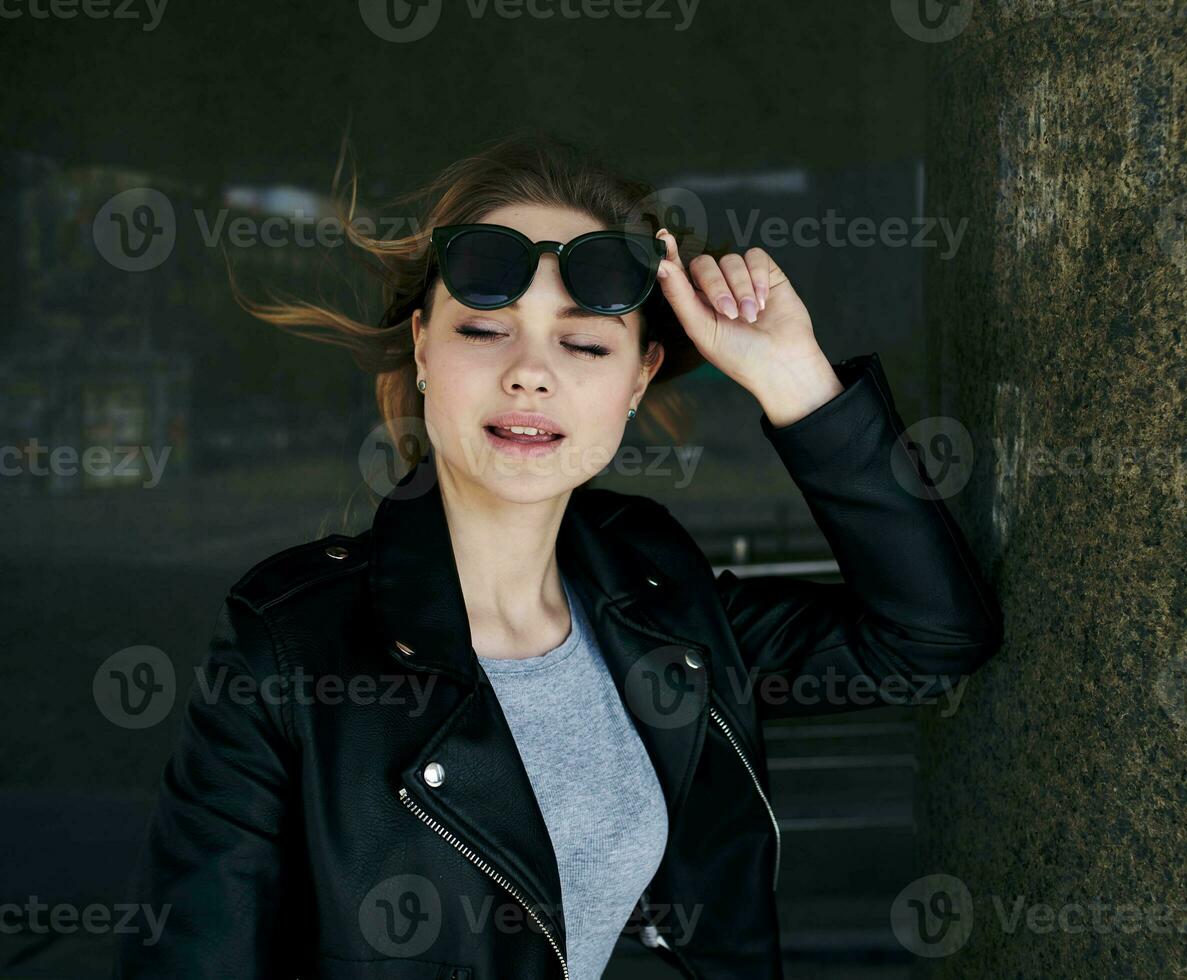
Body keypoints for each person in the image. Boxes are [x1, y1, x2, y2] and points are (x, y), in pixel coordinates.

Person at [114, 131, 1004, 980]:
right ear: (423, 348)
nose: (531, 371)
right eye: (483, 329)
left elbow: (924, 641)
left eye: (583, 342)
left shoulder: (656, 593)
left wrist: (797, 382)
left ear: (640, 378)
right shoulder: (290, 646)